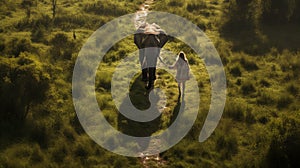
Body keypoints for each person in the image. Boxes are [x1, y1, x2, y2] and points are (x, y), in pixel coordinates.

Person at [134, 23, 168, 90]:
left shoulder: (158, 35)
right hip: (145, 48)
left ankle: (151, 77)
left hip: (152, 47)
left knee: (153, 61)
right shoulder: (141, 36)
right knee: (144, 60)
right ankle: (145, 75)